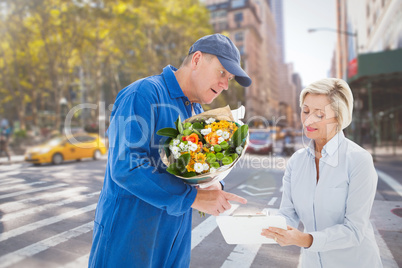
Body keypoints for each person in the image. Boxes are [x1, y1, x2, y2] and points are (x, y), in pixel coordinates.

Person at [89, 34, 250, 267]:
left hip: (175, 238)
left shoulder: (196, 110)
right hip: (128, 237)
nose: (226, 84)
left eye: (230, 78)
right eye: (222, 72)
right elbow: (127, 166)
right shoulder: (143, 93)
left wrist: (211, 185)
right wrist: (194, 197)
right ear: (196, 60)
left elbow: (191, 169)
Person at [261, 78, 383, 268]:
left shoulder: (359, 160)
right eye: (306, 111)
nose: (308, 120)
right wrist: (265, 223)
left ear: (339, 117)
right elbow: (288, 214)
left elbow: (354, 230)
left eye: (319, 115)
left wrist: (306, 240)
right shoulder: (296, 161)